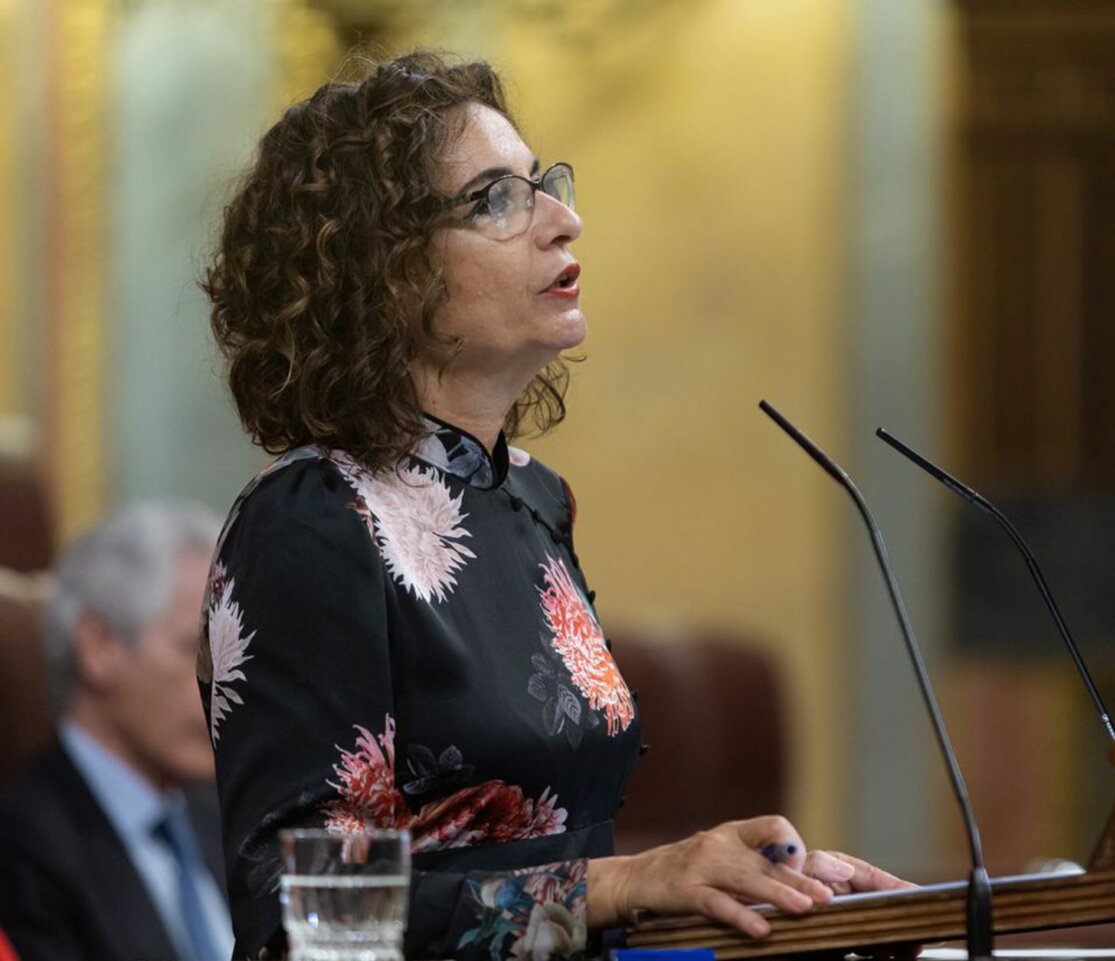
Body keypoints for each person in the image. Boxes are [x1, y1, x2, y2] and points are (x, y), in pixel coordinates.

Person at [200, 49, 909, 961]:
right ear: (387, 272)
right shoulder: (312, 520)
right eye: (497, 199)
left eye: (546, 186)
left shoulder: (530, 497)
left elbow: (566, 880)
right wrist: (626, 883)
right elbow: (294, 922)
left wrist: (763, 891)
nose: (564, 222)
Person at [0, 502, 235, 961]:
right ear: (99, 646)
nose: (225, 685)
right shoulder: (21, 845)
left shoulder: (223, 815)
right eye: (196, 649)